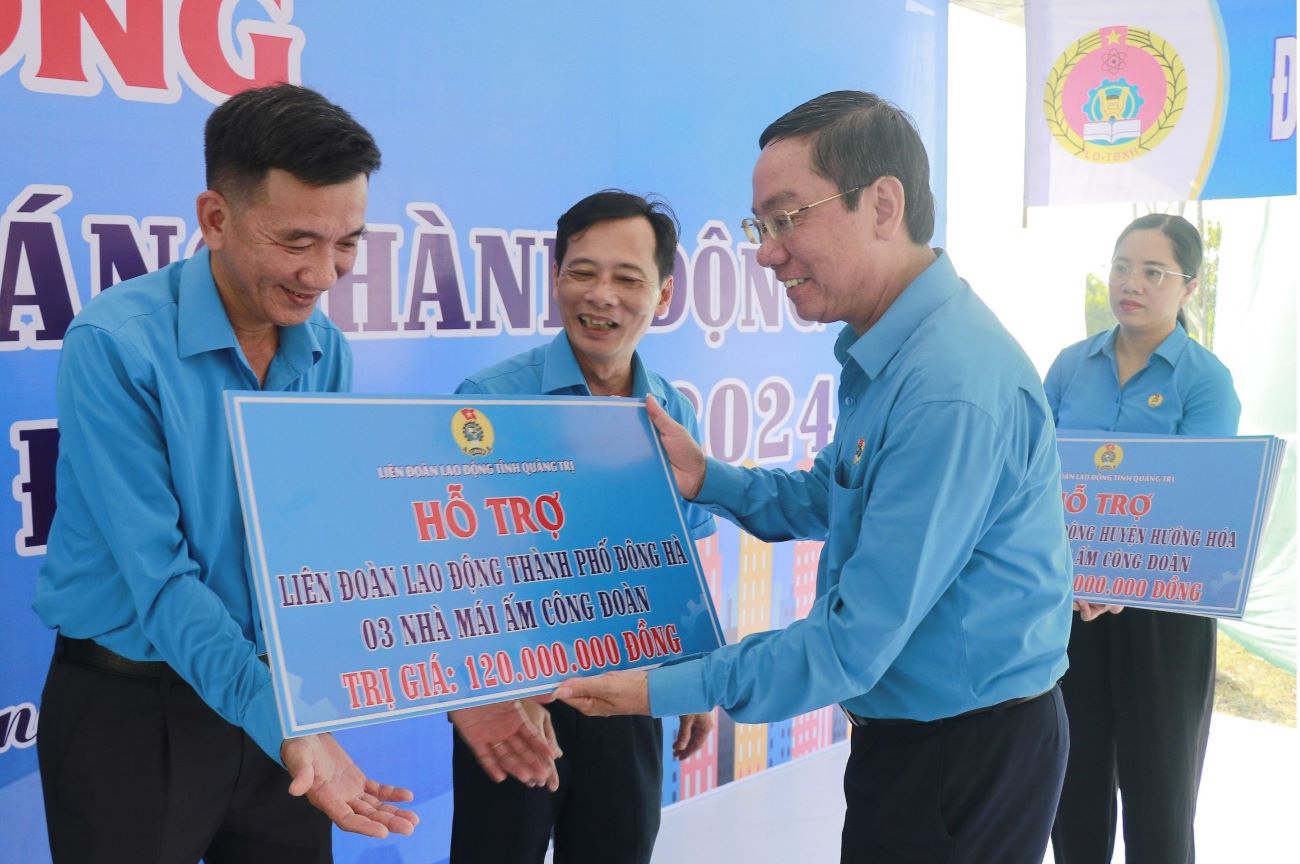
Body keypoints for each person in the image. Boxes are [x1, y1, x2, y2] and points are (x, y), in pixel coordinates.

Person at [555, 91, 1074, 863]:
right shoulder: (887, 350)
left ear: (883, 204)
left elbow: (849, 645)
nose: (766, 252)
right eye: (760, 226)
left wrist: (653, 688)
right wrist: (710, 478)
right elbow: (830, 495)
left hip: (963, 753)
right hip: (917, 740)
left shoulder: (948, 387)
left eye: (788, 218)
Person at [32, 84, 423, 863]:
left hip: (279, 709)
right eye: (297, 241)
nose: (323, 274)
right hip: (132, 714)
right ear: (215, 218)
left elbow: (314, 545)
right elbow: (162, 578)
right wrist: (285, 718)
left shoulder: (325, 351)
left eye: (347, 243)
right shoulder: (116, 345)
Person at [447, 190, 717, 864]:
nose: (601, 295)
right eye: (582, 271)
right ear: (556, 277)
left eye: (627, 278)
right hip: (512, 700)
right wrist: (501, 690)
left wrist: (697, 672)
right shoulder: (491, 402)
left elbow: (680, 552)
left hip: (629, 694)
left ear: (663, 295)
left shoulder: (672, 409)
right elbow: (456, 571)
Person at [1045, 214, 1240, 864]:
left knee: (1160, 797)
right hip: (1071, 604)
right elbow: (1035, 475)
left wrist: (1127, 581)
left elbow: (1199, 502)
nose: (1131, 283)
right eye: (1122, 265)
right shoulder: (1072, 366)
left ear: (1188, 286)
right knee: (1071, 787)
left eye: (1152, 271)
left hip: (1166, 610)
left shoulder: (1205, 380)